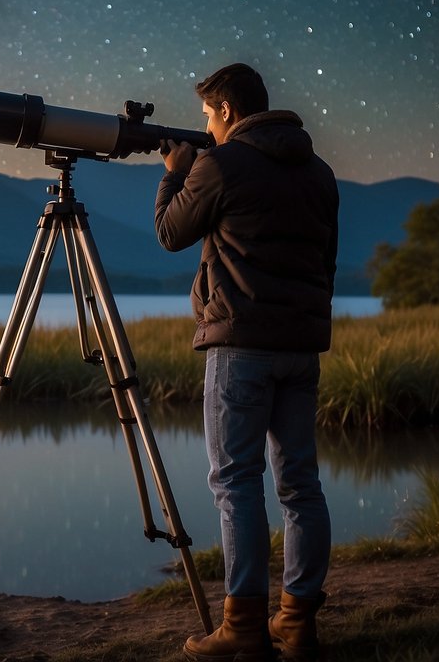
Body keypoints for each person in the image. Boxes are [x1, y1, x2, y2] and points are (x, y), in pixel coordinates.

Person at [154, 63, 338, 662]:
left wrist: (174, 177)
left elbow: (170, 232)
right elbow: (325, 259)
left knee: (236, 482)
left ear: (228, 111)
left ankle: (243, 627)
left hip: (240, 347)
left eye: (208, 115)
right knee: (300, 484)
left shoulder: (220, 165)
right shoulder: (319, 173)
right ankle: (298, 622)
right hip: (301, 347)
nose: (206, 126)